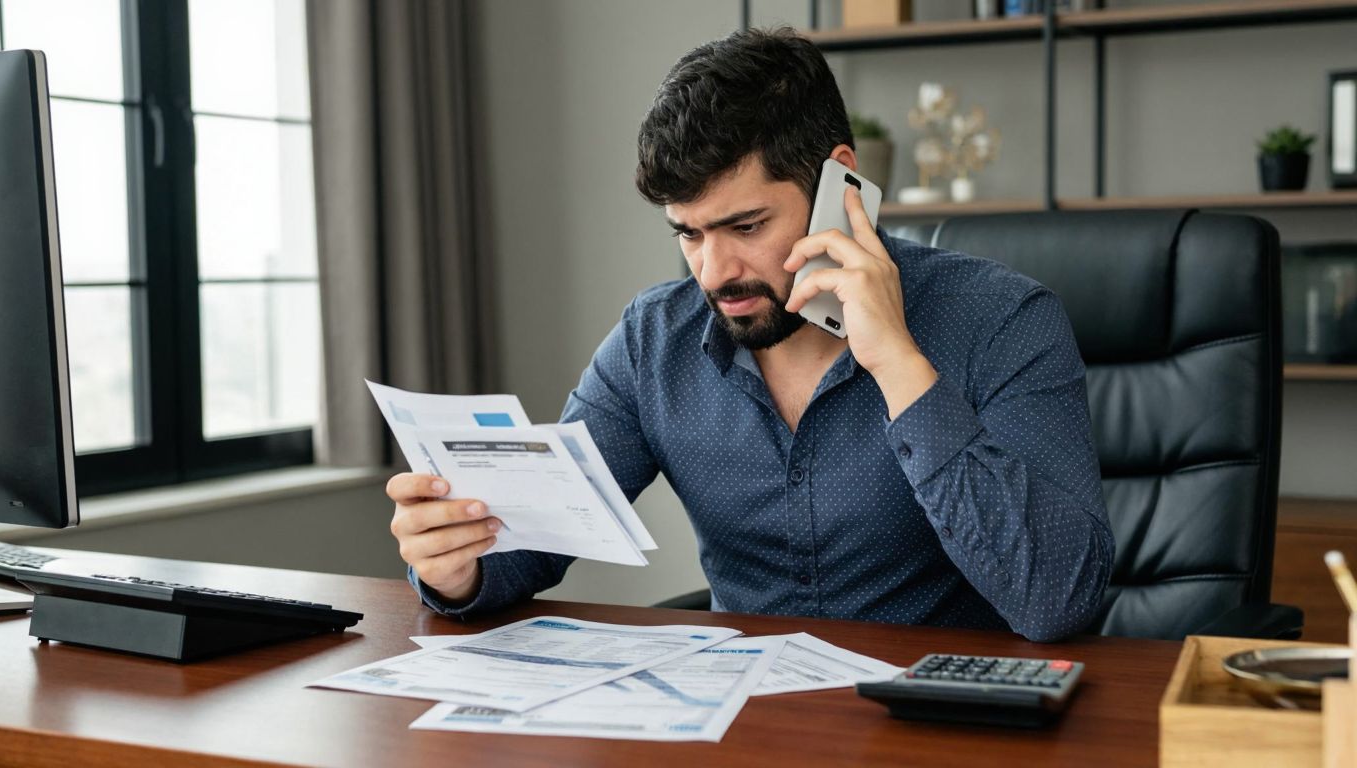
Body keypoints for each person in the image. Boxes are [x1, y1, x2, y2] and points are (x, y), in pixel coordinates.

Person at [386, 28, 1113, 642]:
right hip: (748, 729)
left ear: (840, 183)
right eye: (689, 235)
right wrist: (458, 565)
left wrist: (897, 362)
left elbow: (1058, 600)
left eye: (746, 226)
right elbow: (534, 537)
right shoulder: (654, 342)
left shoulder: (1002, 321)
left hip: (943, 729)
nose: (715, 272)